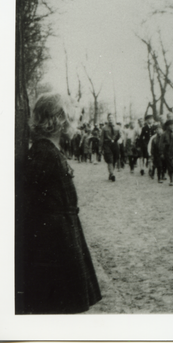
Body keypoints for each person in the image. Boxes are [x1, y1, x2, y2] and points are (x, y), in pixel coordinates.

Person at [16, 92, 102, 314]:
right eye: (71, 117)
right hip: (54, 243)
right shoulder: (46, 153)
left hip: (60, 235)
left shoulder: (48, 150)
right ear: (59, 120)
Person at [101, 113, 121, 181]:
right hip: (107, 145)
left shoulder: (117, 127)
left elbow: (121, 136)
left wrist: (120, 140)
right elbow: (101, 139)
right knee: (110, 159)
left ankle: (111, 173)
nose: (110, 119)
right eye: (109, 118)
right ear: (107, 119)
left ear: (114, 118)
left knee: (114, 160)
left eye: (112, 118)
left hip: (115, 145)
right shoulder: (104, 128)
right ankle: (112, 174)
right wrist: (100, 148)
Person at [159, 119, 173, 186]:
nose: (172, 126)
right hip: (167, 151)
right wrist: (161, 153)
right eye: (170, 125)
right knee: (170, 166)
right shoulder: (164, 134)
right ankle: (171, 179)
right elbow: (160, 144)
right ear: (167, 126)